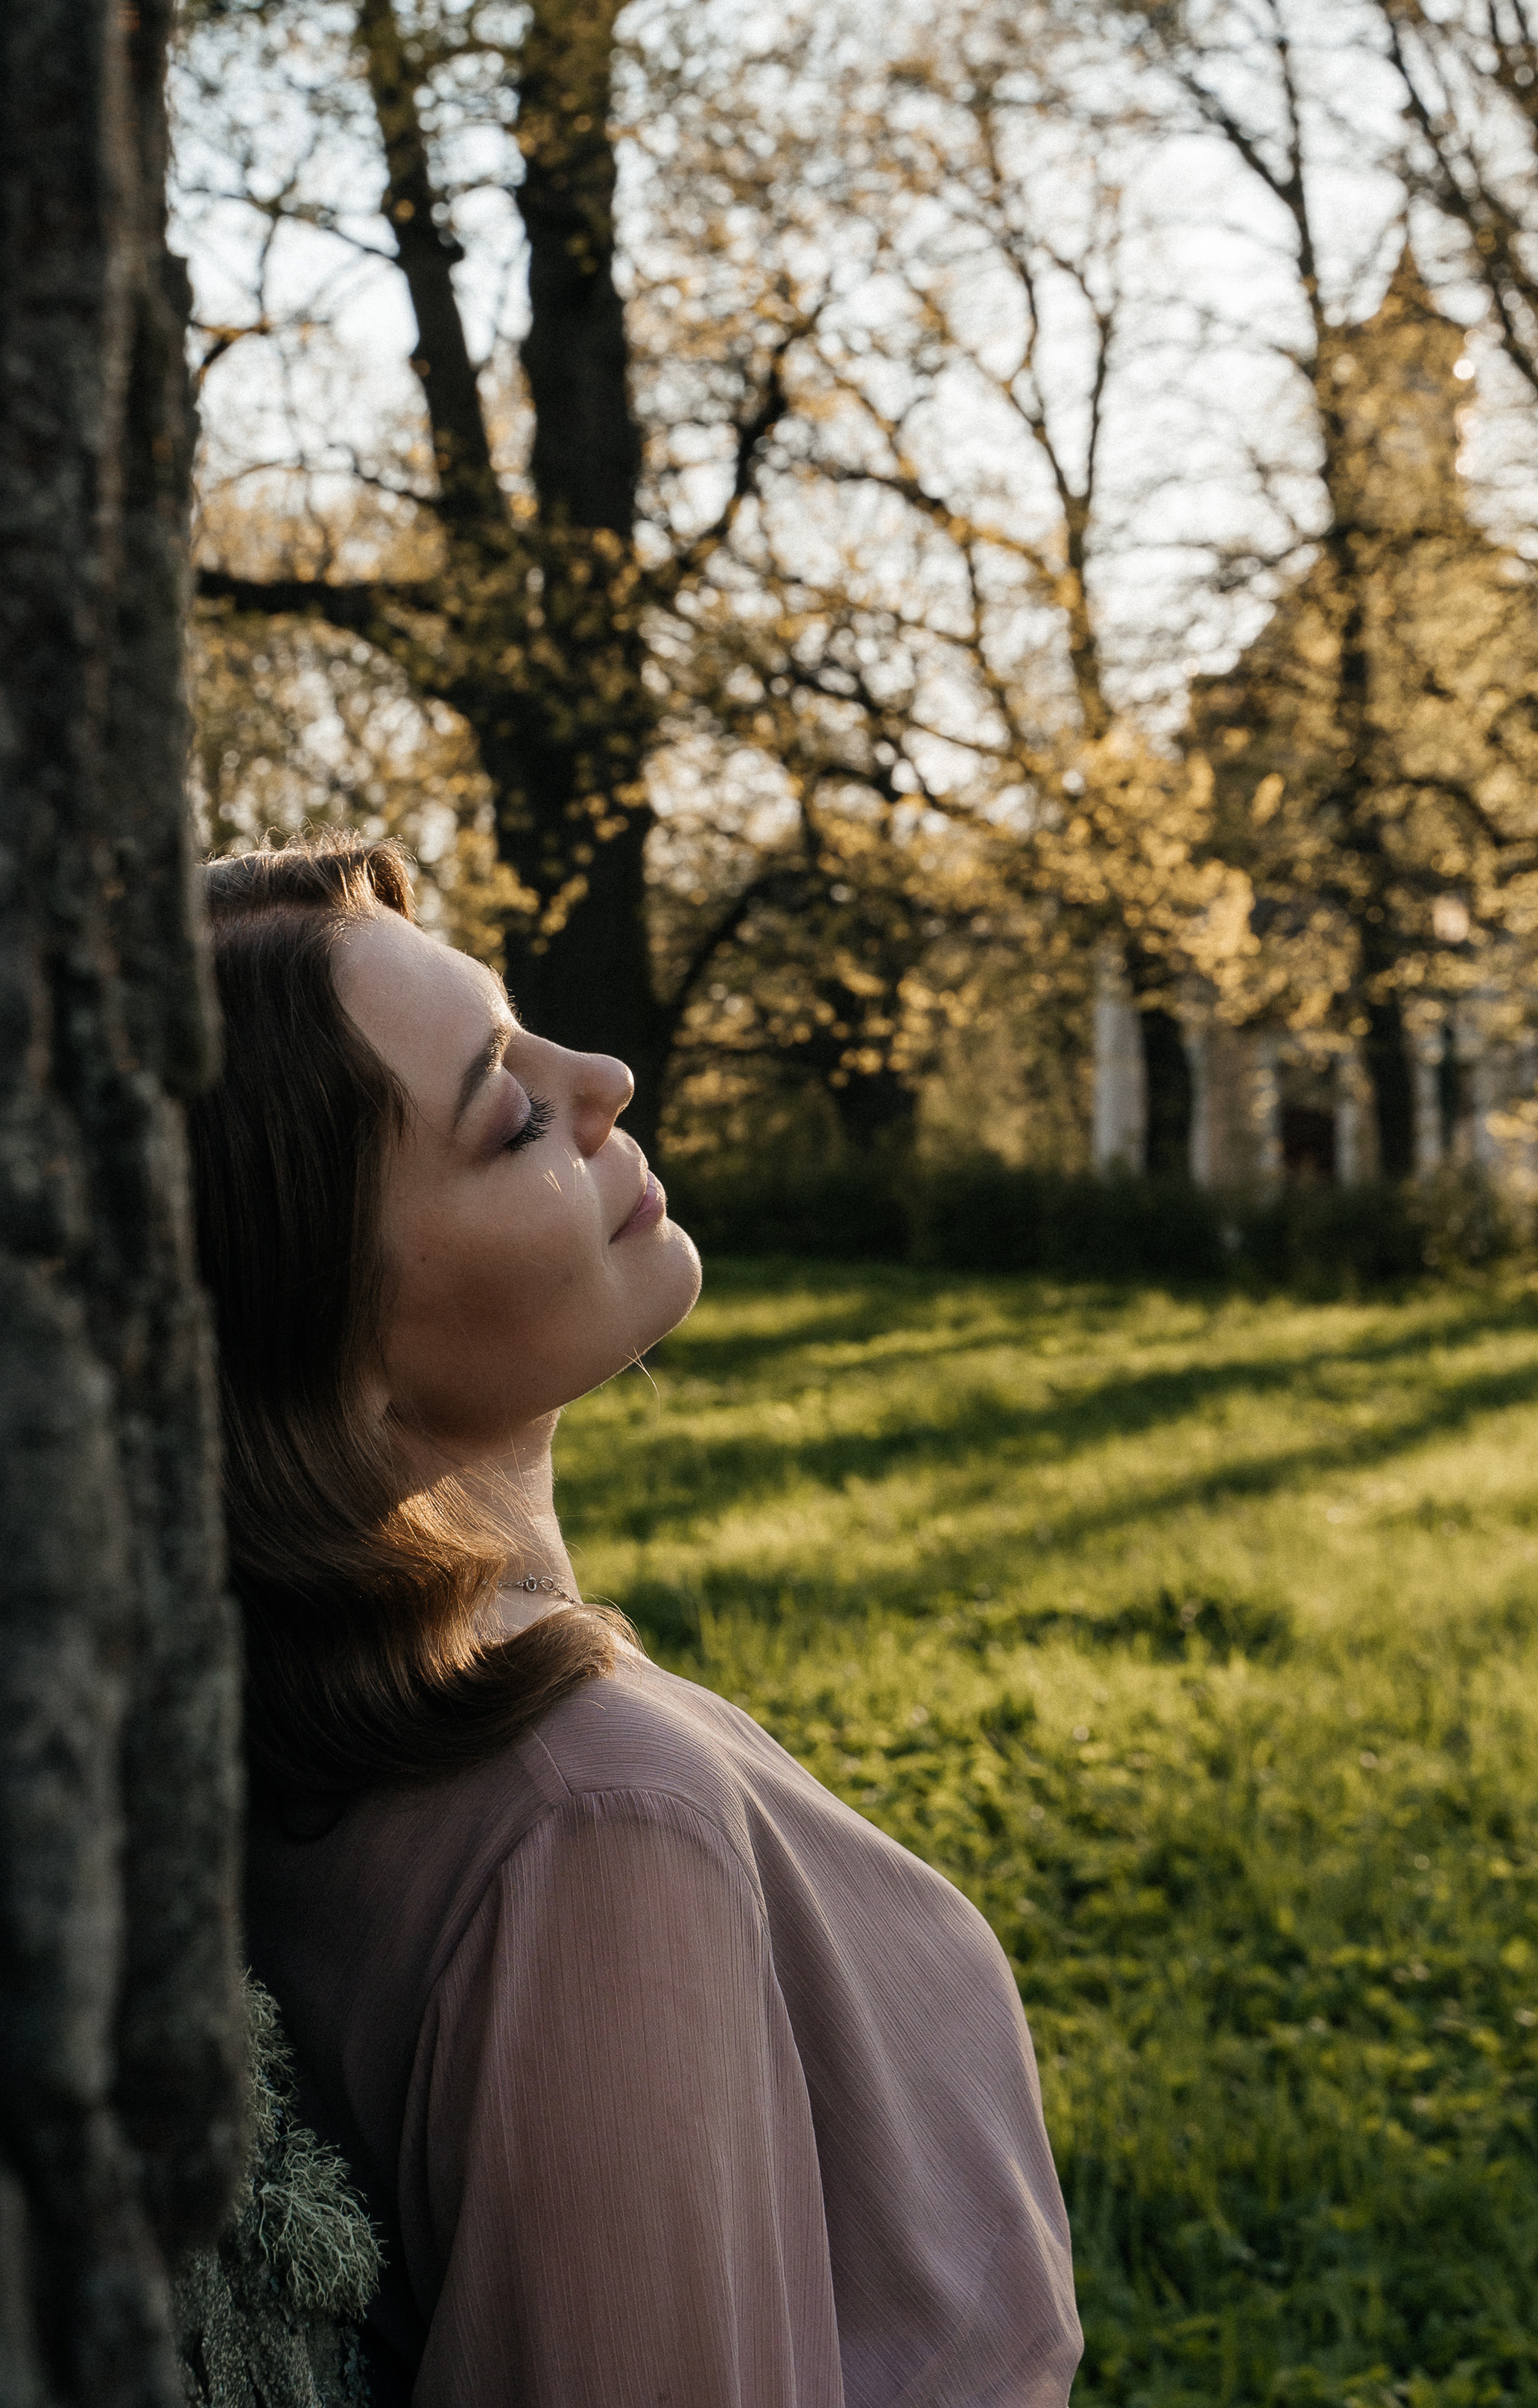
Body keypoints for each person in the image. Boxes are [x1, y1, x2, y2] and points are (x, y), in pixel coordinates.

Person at [188, 837, 1083, 2408]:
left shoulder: (333, 1712)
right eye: (510, 1114)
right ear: (328, 1346)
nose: (597, 1075)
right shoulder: (591, 1832)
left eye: (523, 1025)